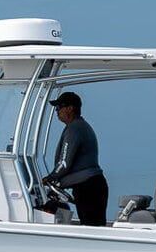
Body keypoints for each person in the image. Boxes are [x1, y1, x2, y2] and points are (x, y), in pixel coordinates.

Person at [41, 90, 107, 226]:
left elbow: (64, 162)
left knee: (91, 229)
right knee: (94, 226)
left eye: (59, 108)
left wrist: (50, 178)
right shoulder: (81, 126)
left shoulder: (74, 129)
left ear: (70, 108)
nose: (57, 112)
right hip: (92, 185)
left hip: (88, 187)